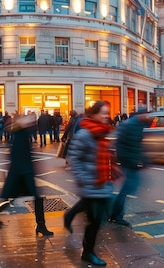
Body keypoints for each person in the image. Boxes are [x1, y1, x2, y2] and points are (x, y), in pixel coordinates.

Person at [66, 100, 115, 266]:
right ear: (94, 114)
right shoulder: (85, 134)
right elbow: (74, 158)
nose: (106, 116)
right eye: (103, 113)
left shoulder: (102, 132)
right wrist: (84, 179)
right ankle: (88, 253)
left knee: (96, 218)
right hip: (91, 183)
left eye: (107, 113)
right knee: (94, 221)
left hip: (102, 183)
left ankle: (69, 215)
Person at [0, 114, 53, 236]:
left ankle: (40, 225)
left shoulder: (22, 133)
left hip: (22, 174)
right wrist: (27, 173)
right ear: (22, 122)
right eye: (28, 120)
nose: (31, 122)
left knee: (22, 198)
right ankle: (41, 226)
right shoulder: (19, 135)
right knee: (36, 199)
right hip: (22, 175)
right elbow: (18, 157)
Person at [109, 106, 152, 227]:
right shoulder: (131, 125)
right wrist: (130, 161)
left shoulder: (137, 124)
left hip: (131, 162)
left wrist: (144, 160)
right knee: (127, 189)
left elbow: (138, 146)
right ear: (140, 114)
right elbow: (124, 145)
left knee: (128, 188)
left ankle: (115, 212)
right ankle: (116, 214)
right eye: (146, 114)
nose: (147, 116)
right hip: (129, 162)